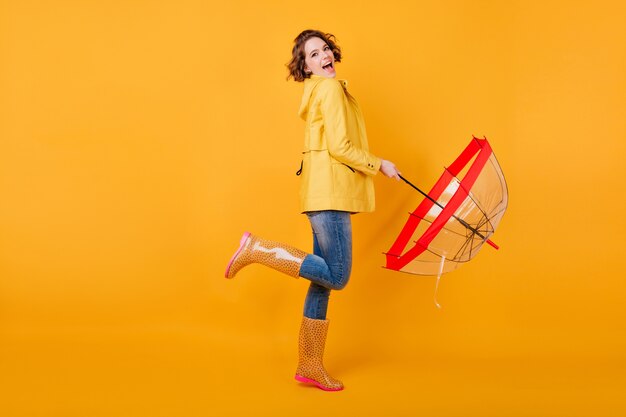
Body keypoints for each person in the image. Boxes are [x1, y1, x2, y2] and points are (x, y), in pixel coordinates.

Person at [224, 29, 401, 392]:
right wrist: (379, 163)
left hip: (319, 193)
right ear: (305, 67)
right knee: (337, 275)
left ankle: (309, 364)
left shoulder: (318, 92)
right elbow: (340, 147)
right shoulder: (332, 90)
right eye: (313, 55)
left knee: (321, 286)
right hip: (330, 195)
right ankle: (258, 249)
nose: (324, 56)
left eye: (325, 50)